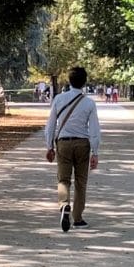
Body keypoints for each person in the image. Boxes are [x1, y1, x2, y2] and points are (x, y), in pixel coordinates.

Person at [45, 63, 101, 231]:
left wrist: (49, 146)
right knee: (81, 182)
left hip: (63, 143)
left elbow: (50, 125)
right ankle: (78, 218)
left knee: (63, 179)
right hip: (83, 144)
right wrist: (95, 152)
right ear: (84, 83)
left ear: (69, 81)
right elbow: (94, 129)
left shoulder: (58, 99)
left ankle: (64, 205)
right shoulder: (89, 103)